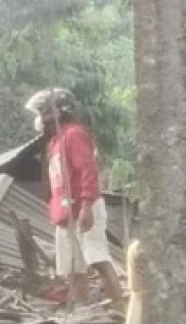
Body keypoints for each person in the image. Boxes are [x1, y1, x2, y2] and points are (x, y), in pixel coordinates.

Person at [25, 89, 122, 304]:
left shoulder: (74, 134)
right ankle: (80, 309)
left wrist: (87, 207)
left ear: (54, 113)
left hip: (83, 208)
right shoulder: (54, 143)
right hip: (66, 212)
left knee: (97, 259)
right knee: (73, 266)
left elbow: (88, 170)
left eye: (41, 113)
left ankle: (120, 310)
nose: (39, 120)